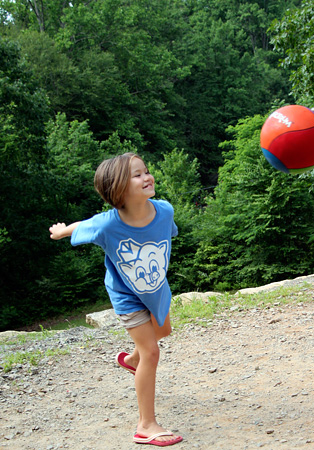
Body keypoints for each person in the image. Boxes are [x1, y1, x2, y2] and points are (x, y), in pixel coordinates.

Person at [49, 153, 183, 447]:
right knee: (152, 352)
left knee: (162, 333)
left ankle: (132, 359)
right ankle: (145, 426)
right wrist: (62, 230)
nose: (147, 177)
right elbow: (84, 225)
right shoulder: (107, 225)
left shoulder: (166, 211)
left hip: (156, 289)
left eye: (146, 171)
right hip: (126, 295)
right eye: (137, 175)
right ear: (117, 188)